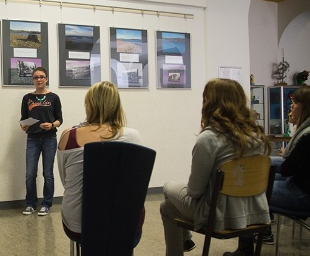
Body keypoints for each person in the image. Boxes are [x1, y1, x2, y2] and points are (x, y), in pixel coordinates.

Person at [160, 78, 271, 256]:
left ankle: (185, 242)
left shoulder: (209, 139)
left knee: (167, 188)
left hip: (218, 216)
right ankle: (185, 240)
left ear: (209, 102)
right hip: (253, 214)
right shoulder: (257, 136)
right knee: (167, 208)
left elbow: (195, 191)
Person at [56, 81, 145, 246]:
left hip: (78, 225)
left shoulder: (68, 137)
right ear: (117, 106)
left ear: (89, 105)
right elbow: (136, 184)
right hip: (125, 225)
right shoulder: (133, 137)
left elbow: (66, 182)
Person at [245, 85, 310, 248]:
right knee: (262, 176)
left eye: (294, 103)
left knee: (249, 192)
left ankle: (248, 246)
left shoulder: (307, 135)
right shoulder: (305, 130)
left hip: (302, 195)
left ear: (304, 106)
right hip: (301, 188)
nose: (291, 107)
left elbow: (288, 168)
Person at [20, 67, 63, 216]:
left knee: (48, 173)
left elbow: (60, 119)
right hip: (32, 138)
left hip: (49, 138)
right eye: (36, 77)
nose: (39, 79)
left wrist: (51, 125)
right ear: (33, 80)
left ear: (46, 79)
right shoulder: (27, 98)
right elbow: (23, 120)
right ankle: (30, 204)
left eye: (42, 77)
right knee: (30, 174)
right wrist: (23, 126)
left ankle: (46, 204)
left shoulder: (54, 98)